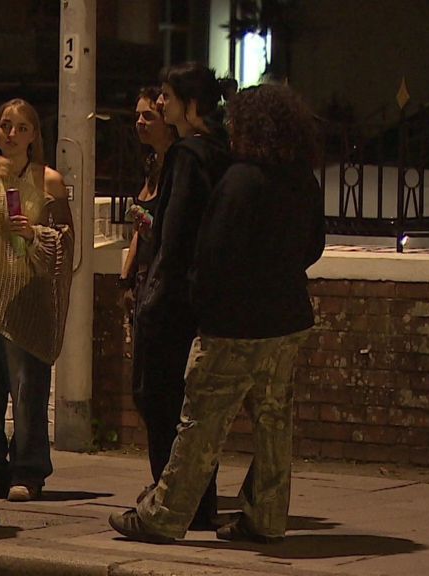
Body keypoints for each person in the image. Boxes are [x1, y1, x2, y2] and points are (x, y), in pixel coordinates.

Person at [110, 83, 326, 544]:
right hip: (287, 318)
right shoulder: (302, 178)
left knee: (200, 424)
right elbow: (314, 246)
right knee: (273, 423)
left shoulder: (241, 180)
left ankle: (164, 516)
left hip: (235, 324)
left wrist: (205, 305)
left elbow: (211, 255)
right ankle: (265, 517)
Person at [131, 63, 233, 530]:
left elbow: (175, 233)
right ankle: (198, 501)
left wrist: (152, 293)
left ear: (190, 105)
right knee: (192, 409)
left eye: (167, 97)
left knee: (159, 399)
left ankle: (170, 498)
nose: (159, 104)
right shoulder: (222, 152)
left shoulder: (187, 156)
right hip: (206, 296)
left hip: (172, 300)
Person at [0, 99, 74, 502]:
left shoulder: (49, 181)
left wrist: (33, 235)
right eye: (5, 126)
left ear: (34, 136)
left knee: (27, 390)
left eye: (21, 128)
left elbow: (65, 245)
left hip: (27, 298)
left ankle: (27, 471)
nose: (11, 134)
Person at [119, 87, 176, 306]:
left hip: (163, 277)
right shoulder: (152, 163)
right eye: (138, 116)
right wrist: (125, 278)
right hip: (144, 275)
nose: (140, 122)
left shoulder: (178, 165)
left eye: (148, 116)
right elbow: (138, 232)